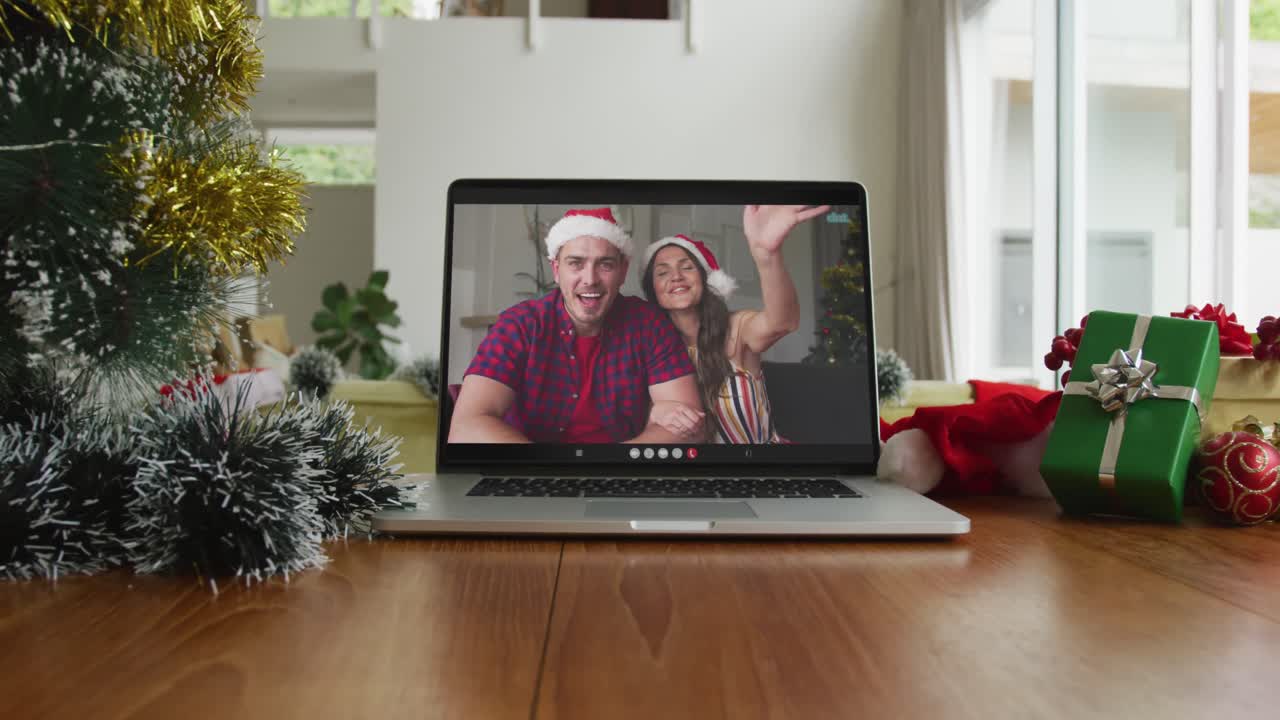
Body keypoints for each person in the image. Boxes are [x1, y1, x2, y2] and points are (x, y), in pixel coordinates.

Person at [450, 207, 706, 443]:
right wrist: (545, 475)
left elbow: (688, 425)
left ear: (623, 271)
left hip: (625, 469)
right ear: (556, 269)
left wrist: (616, 470)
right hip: (532, 473)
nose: (590, 279)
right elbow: (467, 426)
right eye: (576, 263)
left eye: (605, 265)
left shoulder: (649, 324)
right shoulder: (519, 325)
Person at [641, 204, 830, 444]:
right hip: (694, 475)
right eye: (662, 273)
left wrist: (767, 255)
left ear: (705, 278)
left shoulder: (737, 328)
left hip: (760, 470)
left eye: (687, 267)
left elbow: (782, 322)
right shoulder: (651, 350)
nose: (676, 276)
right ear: (653, 289)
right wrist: (654, 412)